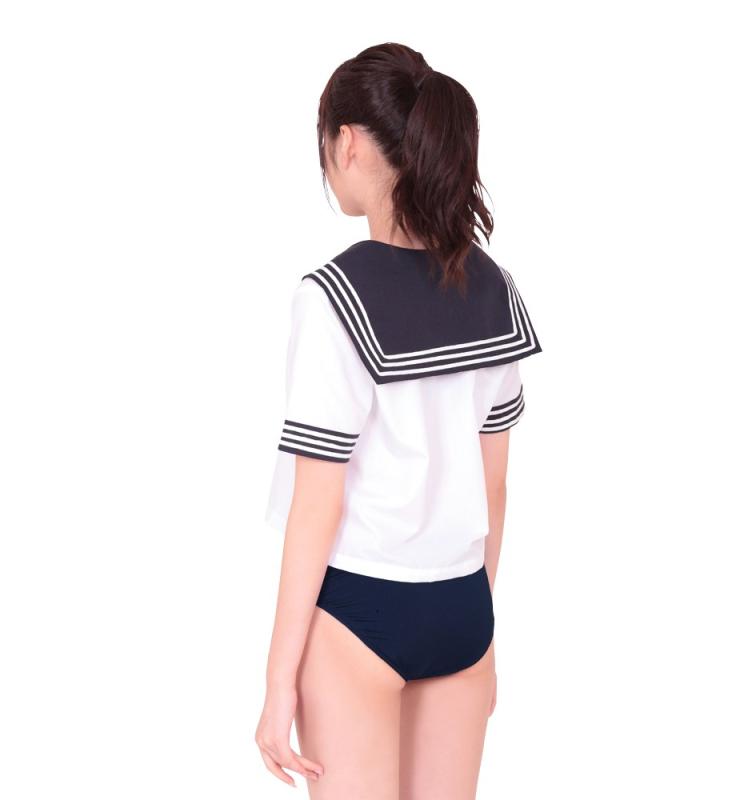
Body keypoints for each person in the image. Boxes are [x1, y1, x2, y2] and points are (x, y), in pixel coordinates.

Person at [255, 42, 542, 798]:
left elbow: (319, 503)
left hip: (360, 611)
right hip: (463, 609)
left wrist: (278, 681)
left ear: (348, 142)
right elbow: (496, 485)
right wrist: (480, 624)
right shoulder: (495, 288)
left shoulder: (334, 298)